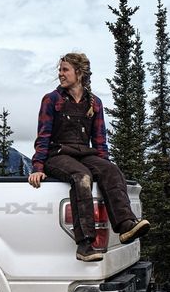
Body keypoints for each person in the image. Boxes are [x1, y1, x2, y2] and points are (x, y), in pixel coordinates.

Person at [28, 52, 149, 262]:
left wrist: (103, 164)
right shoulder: (52, 100)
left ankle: (126, 226)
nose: (61, 74)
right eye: (60, 70)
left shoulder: (94, 103)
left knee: (111, 169)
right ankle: (85, 245)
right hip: (57, 155)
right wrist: (38, 167)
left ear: (79, 73)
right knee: (81, 176)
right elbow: (44, 135)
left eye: (65, 70)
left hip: (83, 153)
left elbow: (100, 139)